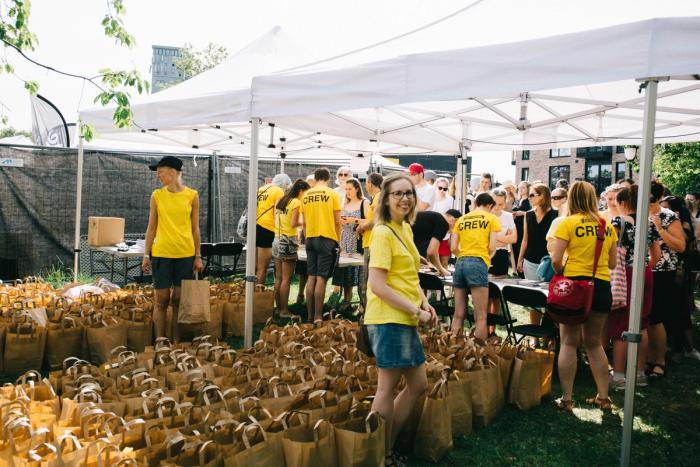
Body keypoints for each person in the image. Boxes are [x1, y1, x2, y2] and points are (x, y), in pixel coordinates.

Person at [365, 173, 437, 467]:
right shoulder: (382, 233)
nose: (405, 198)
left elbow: (409, 275)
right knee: (386, 389)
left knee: (418, 385)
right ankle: (379, 454)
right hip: (389, 319)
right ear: (385, 199)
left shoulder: (404, 228)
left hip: (405, 315)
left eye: (408, 193)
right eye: (397, 194)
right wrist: (415, 310)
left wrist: (424, 301)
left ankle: (385, 443)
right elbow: (378, 286)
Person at [549, 181, 618, 411]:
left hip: (575, 287)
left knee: (569, 342)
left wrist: (562, 272)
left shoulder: (567, 223)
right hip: (600, 287)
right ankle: (603, 397)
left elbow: (555, 260)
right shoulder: (605, 225)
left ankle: (567, 399)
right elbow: (613, 263)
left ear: (571, 198)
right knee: (595, 344)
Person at [142, 156, 204, 343]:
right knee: (161, 300)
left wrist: (198, 256)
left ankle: (176, 342)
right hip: (161, 254)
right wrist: (146, 254)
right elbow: (151, 227)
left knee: (178, 300)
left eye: (160, 172)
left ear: (172, 172)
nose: (158, 176)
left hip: (185, 254)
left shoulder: (192, 195)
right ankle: (161, 341)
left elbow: (195, 228)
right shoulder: (157, 196)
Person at [607, 185, 660, 390]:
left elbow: (611, 249)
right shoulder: (648, 224)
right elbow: (656, 256)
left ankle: (619, 376)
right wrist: (644, 267)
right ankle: (639, 373)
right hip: (645, 272)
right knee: (641, 323)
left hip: (624, 274)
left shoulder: (619, 221)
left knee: (621, 323)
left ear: (622, 203)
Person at [647, 182, 686, 379]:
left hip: (662, 271)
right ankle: (646, 358)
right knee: (644, 316)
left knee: (656, 317)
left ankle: (659, 362)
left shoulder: (669, 216)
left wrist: (660, 229)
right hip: (641, 270)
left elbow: (680, 246)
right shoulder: (637, 214)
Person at [451, 193, 501, 340]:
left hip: (460, 262)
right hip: (478, 262)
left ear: (476, 203)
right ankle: (478, 357)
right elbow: (492, 247)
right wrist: (485, 258)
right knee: (481, 317)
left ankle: (453, 350)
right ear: (490, 206)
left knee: (458, 314)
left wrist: (463, 255)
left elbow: (453, 247)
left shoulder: (462, 219)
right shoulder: (491, 218)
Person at [659, 196, 700, 363]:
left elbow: (682, 247)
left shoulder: (683, 225)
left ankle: (682, 348)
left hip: (678, 274)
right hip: (666, 272)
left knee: (679, 311)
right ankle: (675, 347)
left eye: (665, 209)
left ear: (675, 211)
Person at [300, 168, 341, 322]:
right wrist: (338, 240)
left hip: (310, 238)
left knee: (311, 277)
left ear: (316, 179)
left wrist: (305, 238)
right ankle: (318, 316)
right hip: (326, 238)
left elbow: (303, 223)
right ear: (328, 179)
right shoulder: (332, 194)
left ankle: (309, 315)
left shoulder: (306, 195)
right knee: (321, 278)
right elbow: (337, 221)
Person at [518, 183, 557, 333]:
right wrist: (520, 259)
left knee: (549, 302)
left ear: (543, 195)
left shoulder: (555, 214)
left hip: (548, 263)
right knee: (533, 302)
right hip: (530, 260)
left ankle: (547, 337)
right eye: (529, 195)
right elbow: (525, 239)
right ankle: (534, 337)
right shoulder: (528, 214)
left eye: (533, 194)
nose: (530, 198)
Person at [272, 179, 309, 318]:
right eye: (305, 192)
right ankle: (284, 311)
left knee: (278, 278)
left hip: (277, 238)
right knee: (287, 279)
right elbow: (294, 223)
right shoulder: (296, 202)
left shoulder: (282, 200)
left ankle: (278, 307)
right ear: (301, 190)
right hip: (288, 240)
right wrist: (305, 222)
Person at [332, 178, 370, 312]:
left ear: (357, 189)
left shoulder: (364, 202)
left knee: (359, 273)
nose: (347, 192)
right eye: (346, 189)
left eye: (350, 189)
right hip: (345, 239)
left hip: (358, 239)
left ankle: (362, 302)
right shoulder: (344, 203)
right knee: (346, 271)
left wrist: (353, 220)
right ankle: (347, 300)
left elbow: (370, 220)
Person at [255, 174, 290, 285]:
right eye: (287, 187)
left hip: (256, 227)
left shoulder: (262, 189)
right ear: (285, 184)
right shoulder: (279, 191)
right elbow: (277, 213)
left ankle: (250, 295)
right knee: (262, 268)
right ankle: (258, 297)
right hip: (268, 229)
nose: (287, 189)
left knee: (254, 267)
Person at [357, 172, 384, 311]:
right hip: (369, 241)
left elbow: (375, 221)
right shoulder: (375, 198)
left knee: (367, 280)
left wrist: (361, 226)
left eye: (366, 183)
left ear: (370, 183)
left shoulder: (379, 197)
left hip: (372, 243)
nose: (365, 186)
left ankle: (367, 312)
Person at [411, 210, 451, 277]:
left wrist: (418, 256)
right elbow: (431, 252)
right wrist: (441, 270)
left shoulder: (430, 217)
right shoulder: (443, 223)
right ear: (454, 219)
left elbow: (405, 242)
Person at [511, 181, 531, 273]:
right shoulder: (518, 201)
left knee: (520, 249)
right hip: (516, 227)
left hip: (523, 228)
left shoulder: (529, 201)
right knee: (514, 249)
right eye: (520, 187)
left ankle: (522, 271)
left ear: (528, 189)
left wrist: (522, 213)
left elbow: (532, 213)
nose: (521, 189)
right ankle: (517, 271)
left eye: (524, 187)